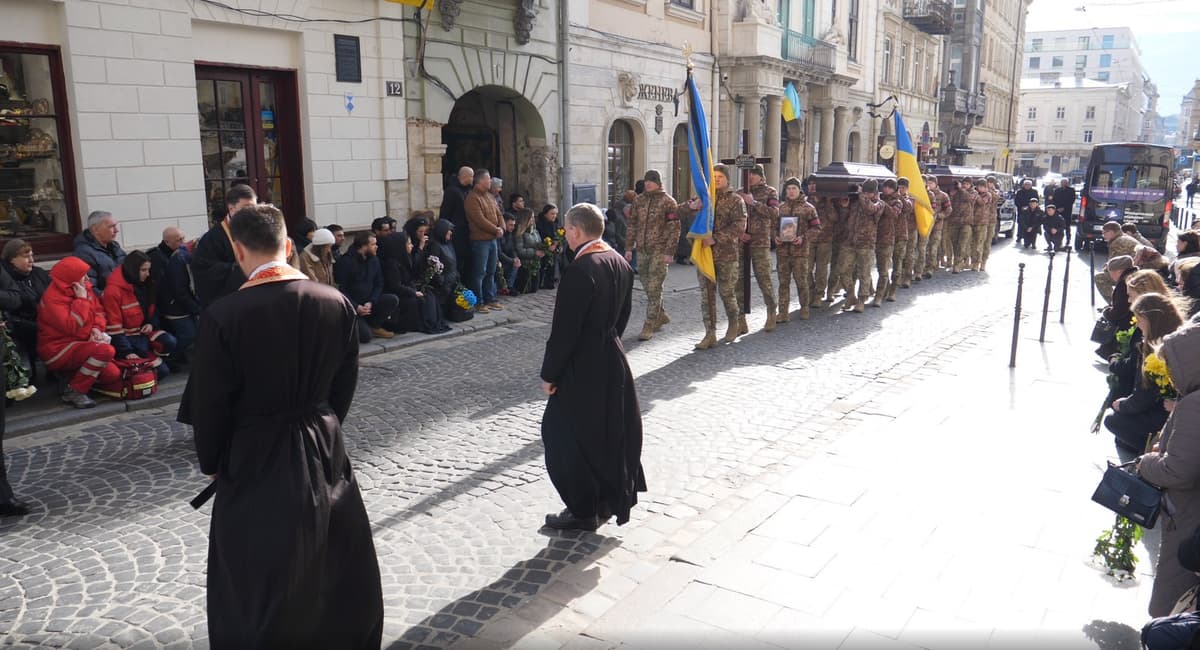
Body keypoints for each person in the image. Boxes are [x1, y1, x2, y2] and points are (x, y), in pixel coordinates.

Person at [177, 203, 383, 648]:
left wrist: (213, 460)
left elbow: (210, 403)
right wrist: (323, 424)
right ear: (288, 246)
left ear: (238, 251)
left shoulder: (224, 316)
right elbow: (343, 383)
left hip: (255, 452)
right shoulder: (336, 302)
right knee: (333, 553)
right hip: (323, 440)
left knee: (261, 566)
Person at [539, 202, 644, 531]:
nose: (566, 235)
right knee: (604, 432)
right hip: (612, 357)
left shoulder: (581, 269)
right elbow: (623, 316)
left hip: (581, 364)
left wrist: (550, 374)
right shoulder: (619, 262)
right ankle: (601, 501)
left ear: (575, 230)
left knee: (559, 433)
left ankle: (583, 508)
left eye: (567, 230)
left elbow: (564, 331)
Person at [1138, 319, 1200, 617]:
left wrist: (1147, 463)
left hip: (1189, 515)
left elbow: (1179, 472)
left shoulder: (1194, 404)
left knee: (1171, 598)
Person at [37, 256, 120, 409]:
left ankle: (72, 378)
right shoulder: (53, 299)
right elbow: (72, 327)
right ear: (71, 278)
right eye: (83, 275)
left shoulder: (84, 287)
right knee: (105, 351)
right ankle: (75, 391)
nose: (87, 278)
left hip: (82, 344)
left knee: (112, 375)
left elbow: (99, 312)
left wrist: (96, 328)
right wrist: (81, 300)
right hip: (58, 349)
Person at [1105, 293, 1180, 452]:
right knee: (1121, 435)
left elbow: (1144, 396)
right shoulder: (1175, 338)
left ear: (1151, 320)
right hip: (1167, 408)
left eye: (1140, 320)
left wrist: (1122, 405)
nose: (1138, 325)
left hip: (1165, 413)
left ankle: (1151, 449)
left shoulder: (1156, 352)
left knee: (1112, 420)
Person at [685, 164, 746, 348]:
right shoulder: (706, 198)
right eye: (714, 176)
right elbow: (679, 210)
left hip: (726, 255)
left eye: (720, 176)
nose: (717, 179)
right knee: (706, 295)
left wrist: (716, 239)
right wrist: (692, 206)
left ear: (727, 178)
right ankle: (709, 333)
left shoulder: (736, 200)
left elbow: (740, 226)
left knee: (727, 292)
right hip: (705, 254)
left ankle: (734, 322)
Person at [102, 251, 177, 377]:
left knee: (169, 341)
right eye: (143, 270)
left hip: (142, 334)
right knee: (162, 372)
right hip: (127, 339)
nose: (147, 274)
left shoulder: (146, 284)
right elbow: (114, 328)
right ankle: (131, 363)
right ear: (133, 269)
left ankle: (153, 359)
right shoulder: (113, 292)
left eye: (148, 270)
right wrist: (127, 352)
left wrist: (151, 324)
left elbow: (153, 310)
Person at [626, 169, 681, 341]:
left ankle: (649, 323)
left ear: (658, 182)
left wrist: (669, 252)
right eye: (646, 181)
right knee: (647, 284)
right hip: (642, 249)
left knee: (655, 286)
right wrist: (628, 247)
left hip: (659, 249)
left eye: (652, 181)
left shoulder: (668, 202)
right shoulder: (639, 200)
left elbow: (674, 229)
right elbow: (632, 224)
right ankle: (661, 314)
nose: (648, 183)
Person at [193, 184, 256, 308]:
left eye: (253, 208)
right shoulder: (212, 238)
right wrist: (243, 269)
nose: (251, 213)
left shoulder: (259, 230)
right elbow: (205, 272)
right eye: (245, 208)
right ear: (231, 208)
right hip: (229, 304)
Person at [736, 164, 780, 332]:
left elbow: (774, 213)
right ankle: (740, 319)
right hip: (741, 242)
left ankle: (771, 311)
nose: (750, 177)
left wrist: (753, 202)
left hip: (760, 242)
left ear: (761, 176)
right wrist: (739, 233)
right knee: (738, 280)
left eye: (753, 174)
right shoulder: (739, 192)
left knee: (764, 278)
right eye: (748, 173)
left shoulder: (770, 192)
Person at [379, 229, 448, 334]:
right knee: (416, 301)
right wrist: (413, 292)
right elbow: (395, 285)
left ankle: (431, 322)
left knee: (429, 295)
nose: (411, 246)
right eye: (408, 243)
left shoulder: (405, 258)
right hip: (398, 293)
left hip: (408, 288)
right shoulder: (392, 264)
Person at [334, 232, 399, 342]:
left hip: (369, 303)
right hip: (353, 307)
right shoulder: (346, 262)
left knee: (392, 299)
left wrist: (371, 301)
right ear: (364, 246)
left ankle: (374, 326)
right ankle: (360, 326)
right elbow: (341, 289)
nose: (376, 247)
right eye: (373, 244)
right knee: (365, 337)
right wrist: (356, 307)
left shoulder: (374, 260)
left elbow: (379, 283)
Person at [836, 180, 885, 313]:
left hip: (866, 243)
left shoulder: (879, 204)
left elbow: (870, 210)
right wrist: (845, 207)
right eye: (865, 192)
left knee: (864, 273)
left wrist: (861, 194)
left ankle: (862, 300)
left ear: (875, 193)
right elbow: (844, 218)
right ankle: (851, 295)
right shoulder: (857, 202)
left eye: (869, 192)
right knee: (842, 270)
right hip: (850, 241)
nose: (866, 194)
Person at [775, 177, 820, 321]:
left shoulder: (809, 208)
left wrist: (803, 238)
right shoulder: (781, 208)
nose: (791, 191)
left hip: (800, 252)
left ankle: (804, 307)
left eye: (794, 188)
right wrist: (775, 237)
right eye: (788, 189)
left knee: (802, 282)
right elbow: (773, 227)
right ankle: (783, 312)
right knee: (783, 283)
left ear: (799, 190)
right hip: (783, 252)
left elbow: (817, 228)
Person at [0, 240, 50, 366]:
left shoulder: (38, 273)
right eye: (26, 257)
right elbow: (13, 304)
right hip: (20, 327)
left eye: (32, 256)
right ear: (12, 259)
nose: (32, 260)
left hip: (44, 323)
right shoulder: (6, 278)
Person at [465, 169, 505, 313]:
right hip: (480, 240)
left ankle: (490, 298)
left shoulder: (490, 196)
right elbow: (479, 219)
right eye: (488, 179)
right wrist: (496, 229)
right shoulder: (472, 198)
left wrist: (502, 227)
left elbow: (498, 213)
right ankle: (479, 302)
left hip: (492, 240)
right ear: (480, 181)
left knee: (491, 271)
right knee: (479, 272)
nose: (490, 182)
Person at [74, 210, 127, 296]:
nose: (116, 230)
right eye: (111, 227)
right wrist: (111, 297)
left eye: (115, 226)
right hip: (107, 302)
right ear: (96, 229)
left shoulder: (114, 246)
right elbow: (90, 288)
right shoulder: (84, 253)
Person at [439, 166, 474, 278]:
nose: (473, 179)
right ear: (465, 176)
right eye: (472, 176)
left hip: (467, 231)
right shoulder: (452, 191)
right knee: (458, 261)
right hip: (457, 232)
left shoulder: (468, 190)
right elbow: (445, 212)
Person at [1095, 221, 1141, 303]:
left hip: (1136, 273)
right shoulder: (1123, 238)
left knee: (1100, 278)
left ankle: (1114, 304)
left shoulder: (1118, 242)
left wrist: (1106, 269)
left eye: (1104, 233)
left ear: (1111, 232)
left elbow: (1116, 266)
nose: (1103, 235)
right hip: (1138, 270)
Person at [874, 179, 902, 307]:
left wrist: (882, 203)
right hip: (873, 237)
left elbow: (893, 214)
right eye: (885, 187)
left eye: (890, 187)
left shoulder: (898, 202)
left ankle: (879, 295)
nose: (886, 189)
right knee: (878, 267)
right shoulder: (877, 199)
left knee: (884, 269)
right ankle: (884, 289)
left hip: (887, 238)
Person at [922, 175, 952, 279]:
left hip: (937, 226)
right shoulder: (923, 194)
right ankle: (922, 268)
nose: (929, 185)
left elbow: (948, 209)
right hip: (924, 225)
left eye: (931, 183)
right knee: (923, 248)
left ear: (936, 184)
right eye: (928, 183)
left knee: (933, 247)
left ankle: (931, 267)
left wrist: (939, 216)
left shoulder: (943, 196)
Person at [513, 208, 545, 294]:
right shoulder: (520, 233)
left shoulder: (535, 231)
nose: (533, 220)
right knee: (526, 289)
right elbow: (520, 250)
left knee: (534, 289)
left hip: (535, 263)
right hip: (525, 265)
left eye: (533, 217)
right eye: (531, 218)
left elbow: (539, 243)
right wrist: (535, 252)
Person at [949, 178, 976, 273]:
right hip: (955, 221)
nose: (965, 185)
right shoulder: (956, 192)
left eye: (967, 184)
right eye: (963, 183)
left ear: (971, 185)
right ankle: (961, 261)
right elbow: (950, 200)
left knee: (962, 244)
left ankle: (957, 265)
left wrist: (961, 189)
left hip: (966, 223)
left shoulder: (973, 193)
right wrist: (956, 190)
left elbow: (969, 198)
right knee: (955, 244)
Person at [536, 204, 566, 286]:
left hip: (554, 249)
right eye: (552, 214)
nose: (554, 216)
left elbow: (559, 235)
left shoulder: (556, 223)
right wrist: (548, 246)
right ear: (545, 214)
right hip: (544, 249)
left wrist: (558, 244)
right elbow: (540, 237)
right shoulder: (540, 224)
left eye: (556, 214)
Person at [497, 215, 520, 295]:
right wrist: (511, 260)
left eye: (514, 225)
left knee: (516, 263)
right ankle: (502, 287)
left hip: (506, 259)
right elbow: (499, 253)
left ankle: (509, 286)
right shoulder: (499, 235)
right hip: (499, 261)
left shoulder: (510, 234)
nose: (513, 227)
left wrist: (515, 258)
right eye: (510, 225)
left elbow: (512, 249)